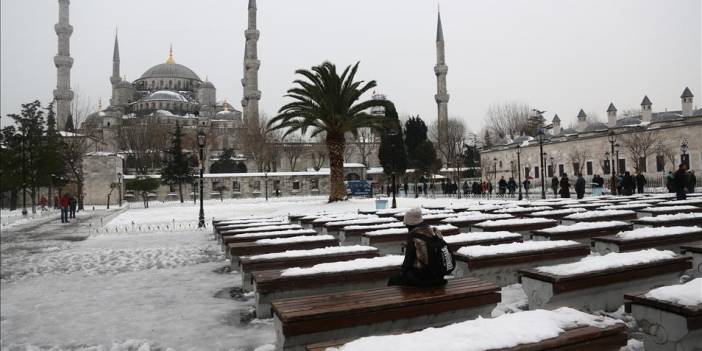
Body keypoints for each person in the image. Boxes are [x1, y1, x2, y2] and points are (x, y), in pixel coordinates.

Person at [387, 207, 448, 287]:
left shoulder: (414, 237)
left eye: (406, 224)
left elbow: (408, 262)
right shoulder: (434, 231)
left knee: (392, 281)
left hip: (424, 278)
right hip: (439, 275)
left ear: (410, 224)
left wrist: (401, 274)